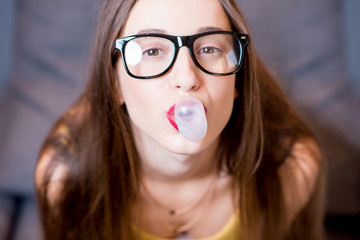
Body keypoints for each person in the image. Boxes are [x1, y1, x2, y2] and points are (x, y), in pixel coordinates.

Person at [34, 0, 325, 239]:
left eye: (209, 49)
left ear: (238, 79)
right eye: (152, 51)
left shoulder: (289, 170)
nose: (187, 79)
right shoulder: (64, 179)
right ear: (115, 84)